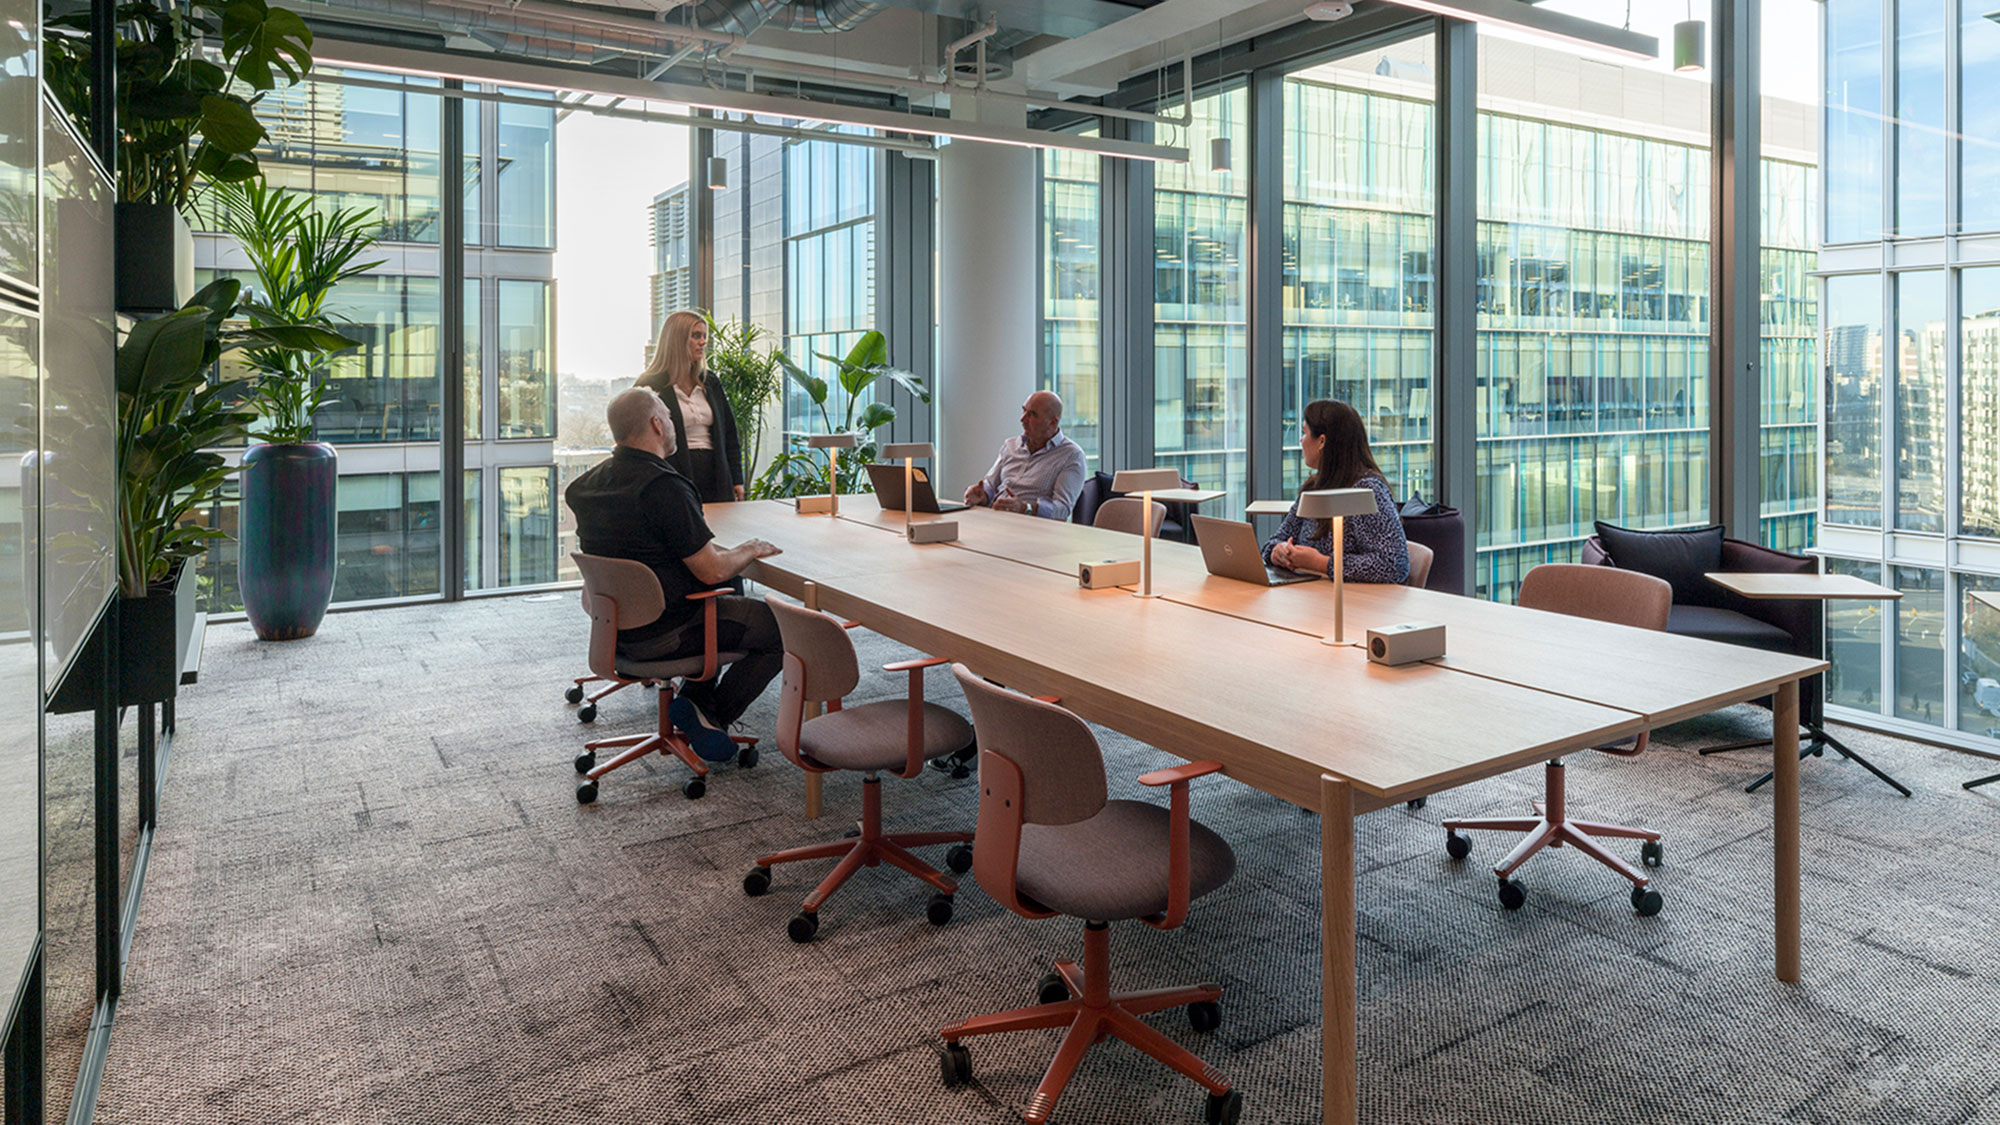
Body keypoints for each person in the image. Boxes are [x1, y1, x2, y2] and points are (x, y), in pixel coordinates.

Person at [564, 387, 781, 759]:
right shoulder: (663, 486)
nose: (672, 421)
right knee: (784, 628)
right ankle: (711, 713)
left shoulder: (585, 486)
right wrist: (750, 549)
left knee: (732, 586)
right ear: (656, 425)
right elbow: (710, 570)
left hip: (615, 631)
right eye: (667, 414)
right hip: (670, 632)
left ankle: (694, 701)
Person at [1261, 398, 1410, 584]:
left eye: (1304, 433)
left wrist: (1319, 563)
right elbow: (1276, 540)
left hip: (1356, 603)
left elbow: (1393, 564)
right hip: (1312, 596)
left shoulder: (1367, 491)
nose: (1301, 440)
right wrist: (1277, 551)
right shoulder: (1314, 488)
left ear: (1322, 441)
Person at [635, 310, 746, 504]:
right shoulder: (649, 384)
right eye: (696, 336)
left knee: (722, 530)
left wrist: (737, 479)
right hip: (673, 475)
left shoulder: (710, 381)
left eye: (704, 336)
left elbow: (729, 433)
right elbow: (638, 440)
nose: (703, 342)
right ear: (677, 339)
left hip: (716, 473)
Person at [962, 390, 1088, 520]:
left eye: (1032, 414)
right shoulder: (1010, 445)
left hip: (1032, 528)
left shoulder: (1071, 455)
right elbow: (990, 485)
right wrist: (982, 495)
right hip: (995, 520)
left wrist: (1025, 508)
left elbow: (1062, 510)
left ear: (1052, 423)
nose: (1022, 419)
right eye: (1024, 411)